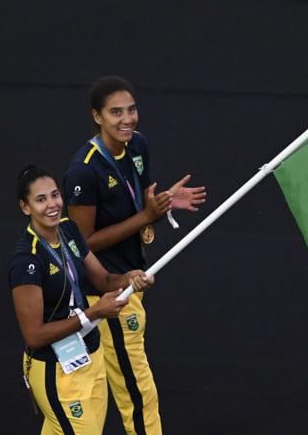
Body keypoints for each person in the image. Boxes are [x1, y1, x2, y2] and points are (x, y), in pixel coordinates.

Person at [63, 76, 206, 435]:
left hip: (131, 277)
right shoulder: (85, 170)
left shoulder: (138, 145)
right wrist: (146, 217)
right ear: (97, 116)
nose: (127, 119)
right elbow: (82, 243)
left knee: (117, 389)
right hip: (106, 292)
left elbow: (141, 199)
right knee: (137, 392)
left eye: (131, 109)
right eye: (115, 112)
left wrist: (163, 202)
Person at [8, 165, 154, 435]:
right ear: (25, 207)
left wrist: (129, 279)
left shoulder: (69, 231)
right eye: (41, 200)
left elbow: (103, 281)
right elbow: (34, 335)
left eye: (54, 195)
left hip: (90, 356)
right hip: (56, 370)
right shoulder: (26, 260)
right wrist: (93, 313)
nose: (52, 205)